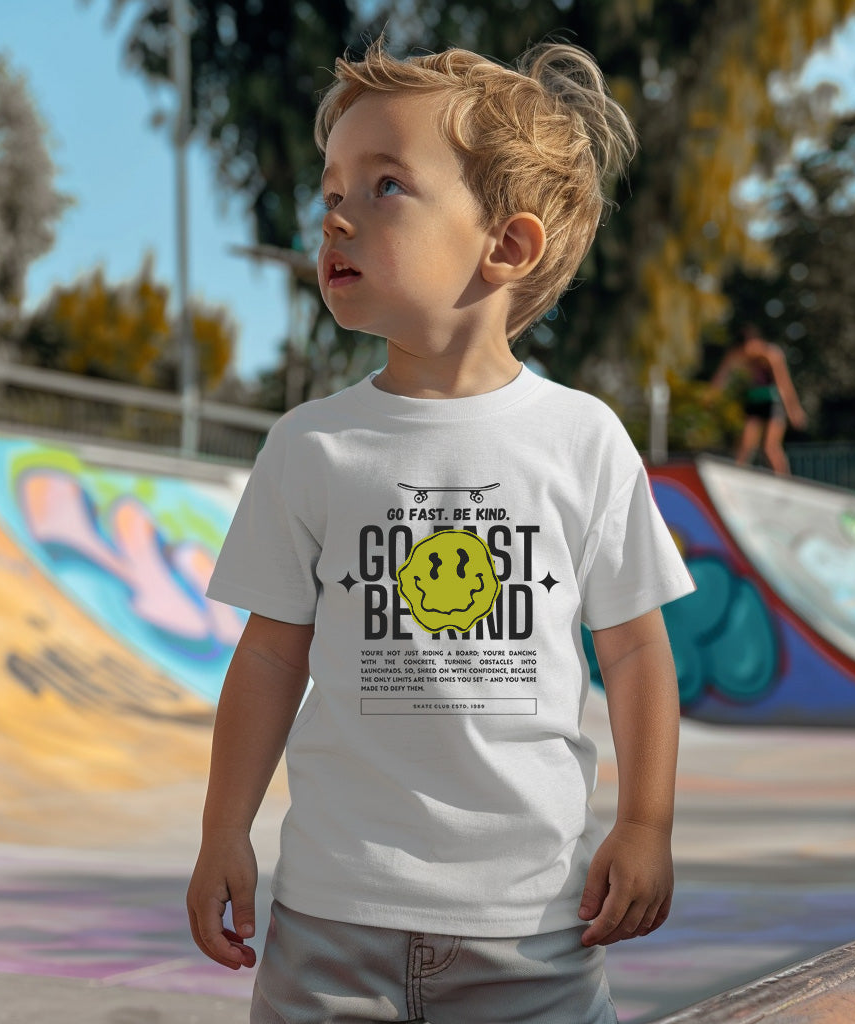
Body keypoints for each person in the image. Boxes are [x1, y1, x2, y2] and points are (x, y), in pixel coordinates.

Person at [187, 38, 695, 1024]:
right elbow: (267, 658)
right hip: (332, 916)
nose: (334, 212)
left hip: (533, 925)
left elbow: (635, 650)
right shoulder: (311, 448)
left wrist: (645, 823)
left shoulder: (580, 440)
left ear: (504, 246)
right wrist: (223, 831)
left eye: (383, 186)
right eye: (330, 187)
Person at [711, 323, 807, 475]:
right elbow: (721, 377)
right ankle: (737, 477)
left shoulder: (771, 354)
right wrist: (711, 395)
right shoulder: (736, 353)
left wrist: (793, 410)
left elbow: (784, 384)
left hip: (773, 401)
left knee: (770, 446)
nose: (748, 353)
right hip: (754, 400)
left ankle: (784, 480)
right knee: (745, 444)